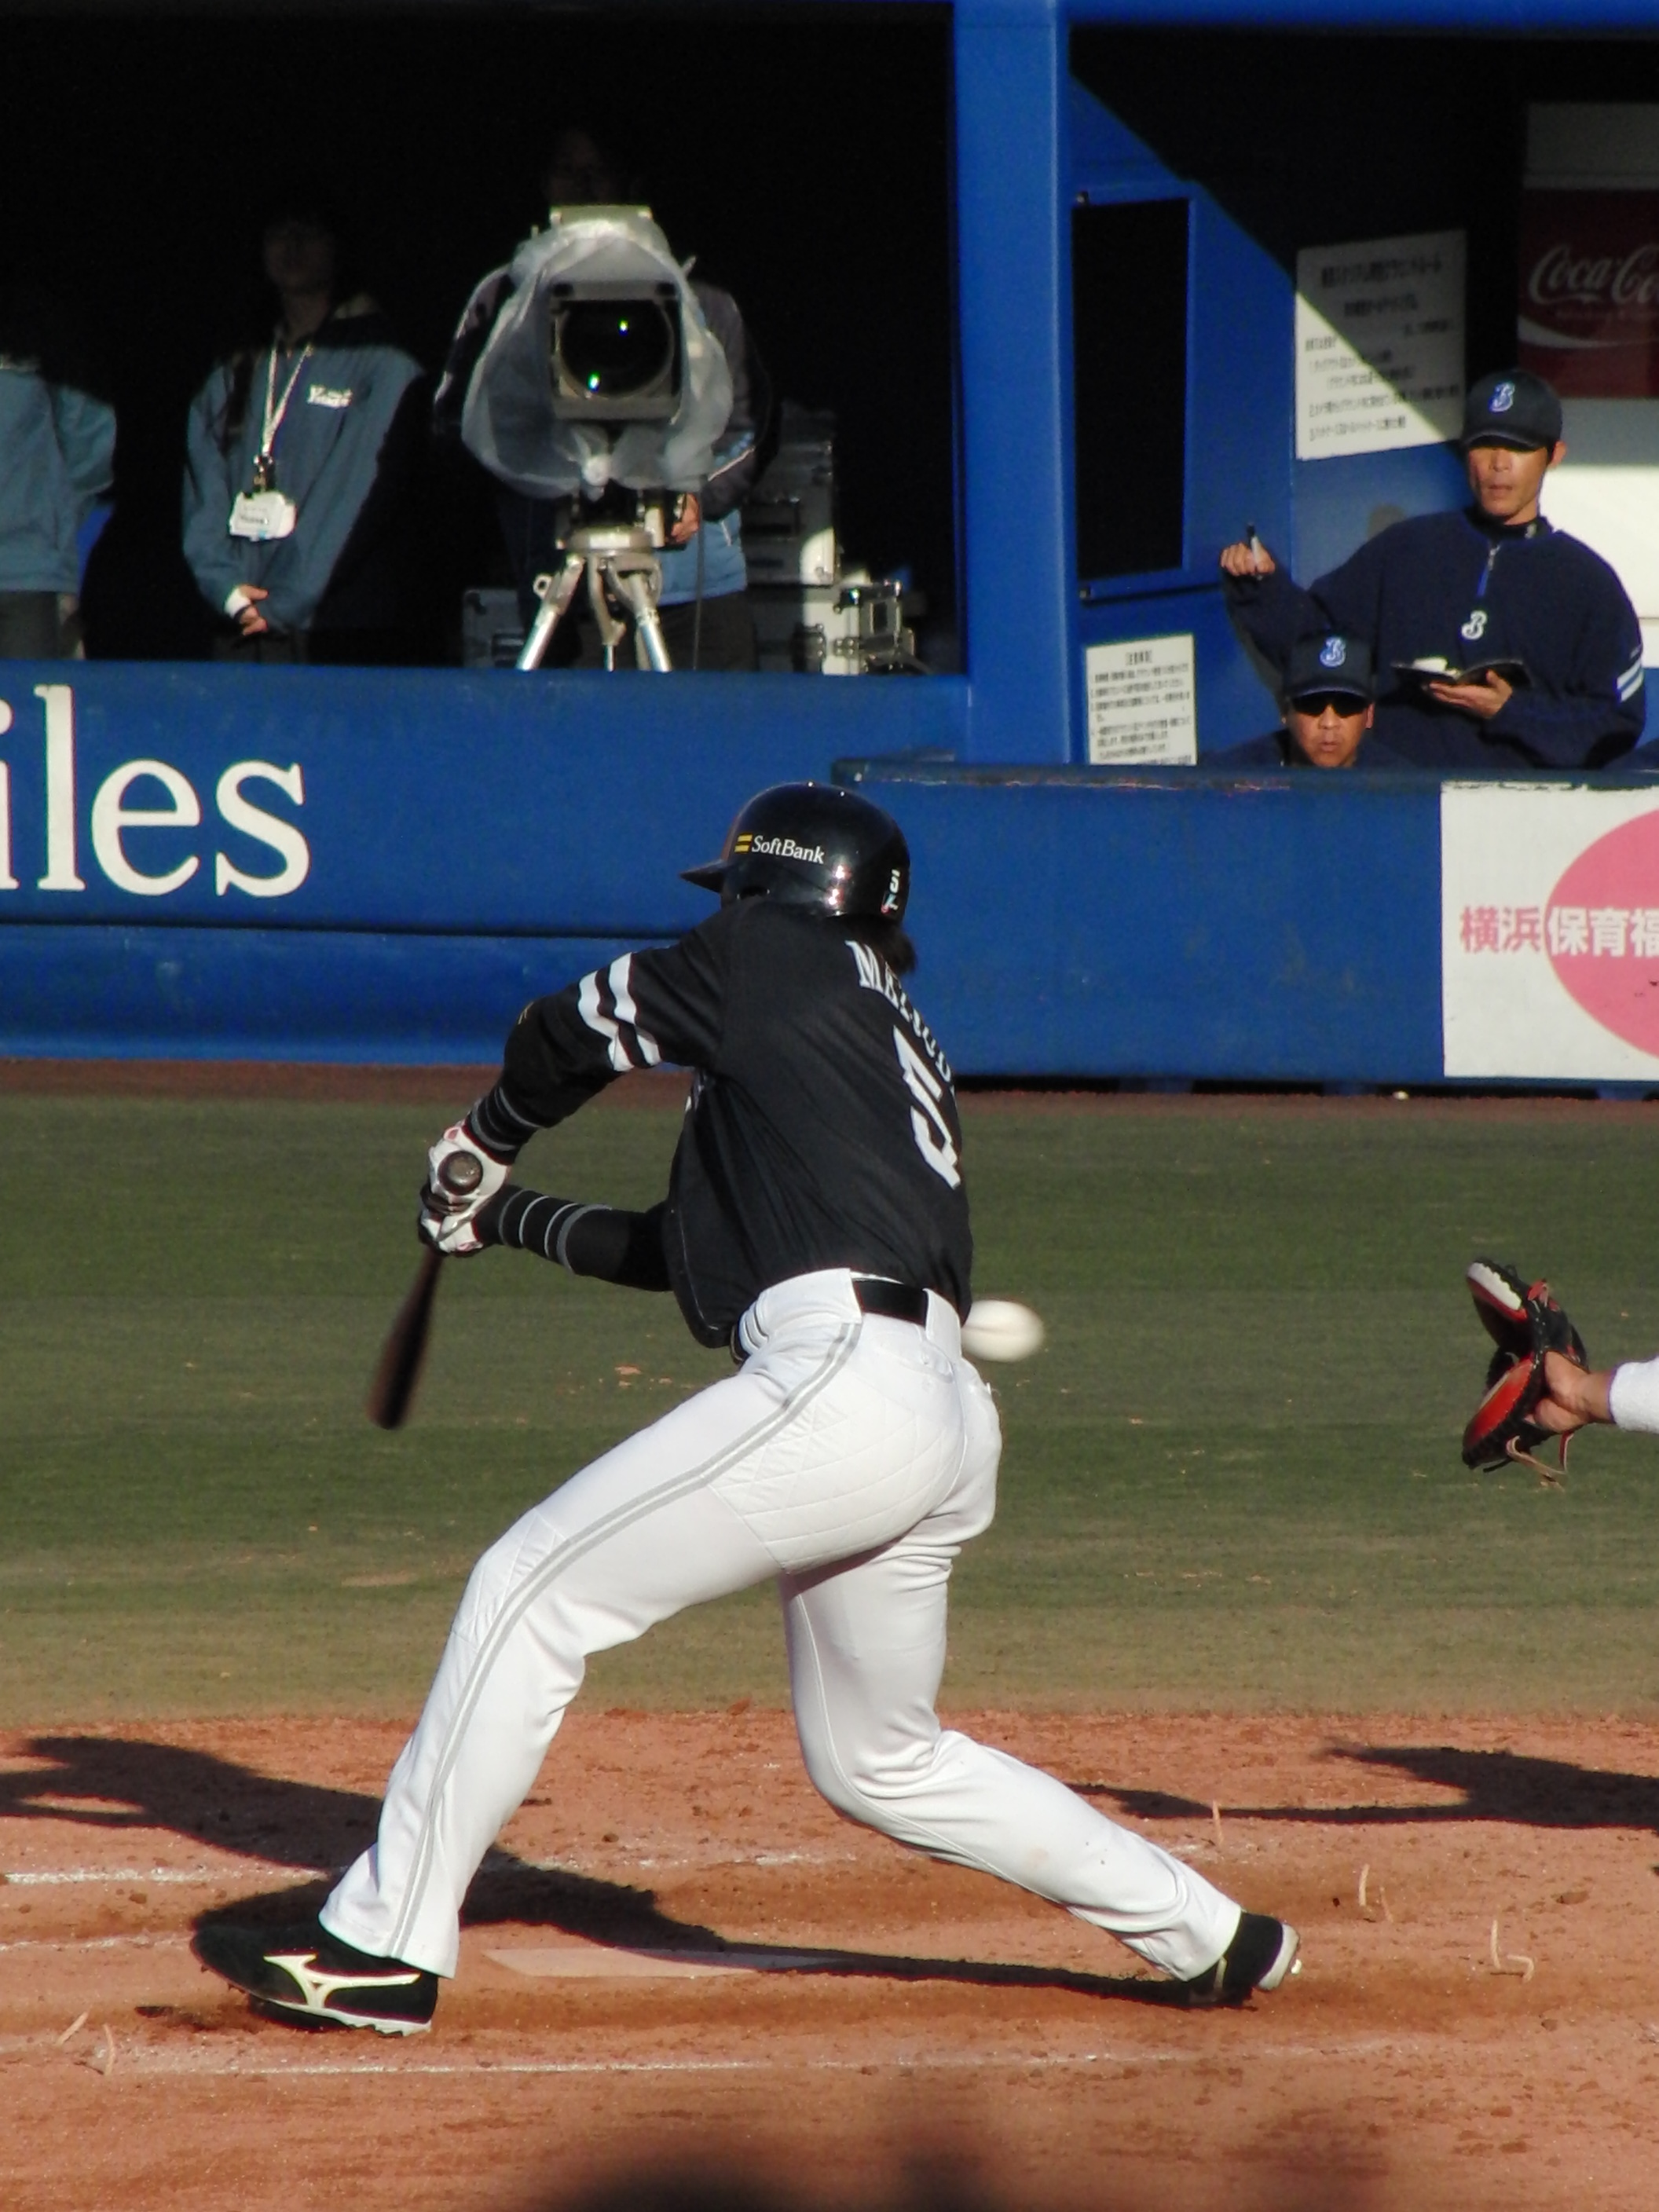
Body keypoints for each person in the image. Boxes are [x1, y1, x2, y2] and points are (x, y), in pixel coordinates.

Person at [193, 781, 1299, 2032]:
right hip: (932, 1410)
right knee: (882, 1758)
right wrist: (501, 1218)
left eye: (736, 894)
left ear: (778, 890)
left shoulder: (778, 955)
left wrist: (491, 1133)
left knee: (530, 1589)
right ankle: (1213, 1933)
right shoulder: (874, 1034)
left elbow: (566, 1029)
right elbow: (690, 1251)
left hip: (846, 1386)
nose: (725, 916)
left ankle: (385, 1949)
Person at [434, 128, 764, 671]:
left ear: (628, 180)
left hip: (689, 596)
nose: (583, 185)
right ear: (544, 182)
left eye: (598, 170)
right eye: (568, 170)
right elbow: (457, 424)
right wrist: (539, 474)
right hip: (562, 587)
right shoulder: (504, 299)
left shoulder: (697, 297)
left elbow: (750, 421)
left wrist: (696, 493)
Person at [1219, 369, 1646, 772]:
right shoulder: (1407, 547)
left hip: (1516, 820)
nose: (1499, 463)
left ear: (1554, 456)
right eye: (1485, 444)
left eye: (1518, 447)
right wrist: (1261, 586)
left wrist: (1511, 710)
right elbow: (1315, 650)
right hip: (1399, 811)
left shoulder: (1587, 583)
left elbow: (1614, 725)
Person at [182, 189, 425, 664]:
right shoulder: (235, 363)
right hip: (241, 617)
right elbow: (202, 489)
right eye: (280, 233)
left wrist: (286, 602)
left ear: (339, 245)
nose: (292, 247)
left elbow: (352, 498)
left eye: (309, 232)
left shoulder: (383, 362)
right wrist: (227, 591)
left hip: (336, 629)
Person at [0, 287, 115, 658]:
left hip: (25, 579)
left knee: (29, 712)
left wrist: (52, 522)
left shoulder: (36, 331)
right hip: (32, 567)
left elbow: (91, 443)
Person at [1208, 632, 1402, 770]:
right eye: (1312, 705)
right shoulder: (1232, 778)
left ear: (1369, 715)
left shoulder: (1401, 791)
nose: (1329, 723)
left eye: (1346, 705)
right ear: (1284, 710)